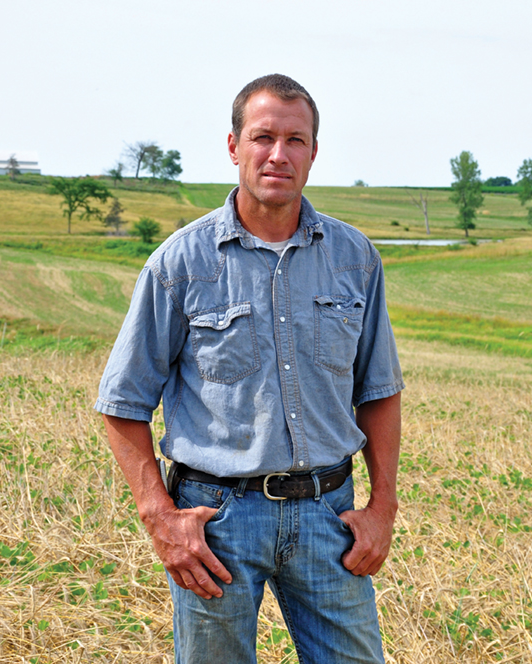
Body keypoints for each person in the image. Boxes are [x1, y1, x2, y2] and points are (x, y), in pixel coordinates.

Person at [95, 74, 404, 663]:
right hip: (217, 523)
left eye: (296, 139)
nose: (278, 154)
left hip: (328, 515)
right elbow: (123, 403)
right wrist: (160, 517)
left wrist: (382, 508)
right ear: (234, 146)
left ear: (314, 152)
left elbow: (380, 391)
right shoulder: (179, 264)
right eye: (263, 137)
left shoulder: (355, 258)